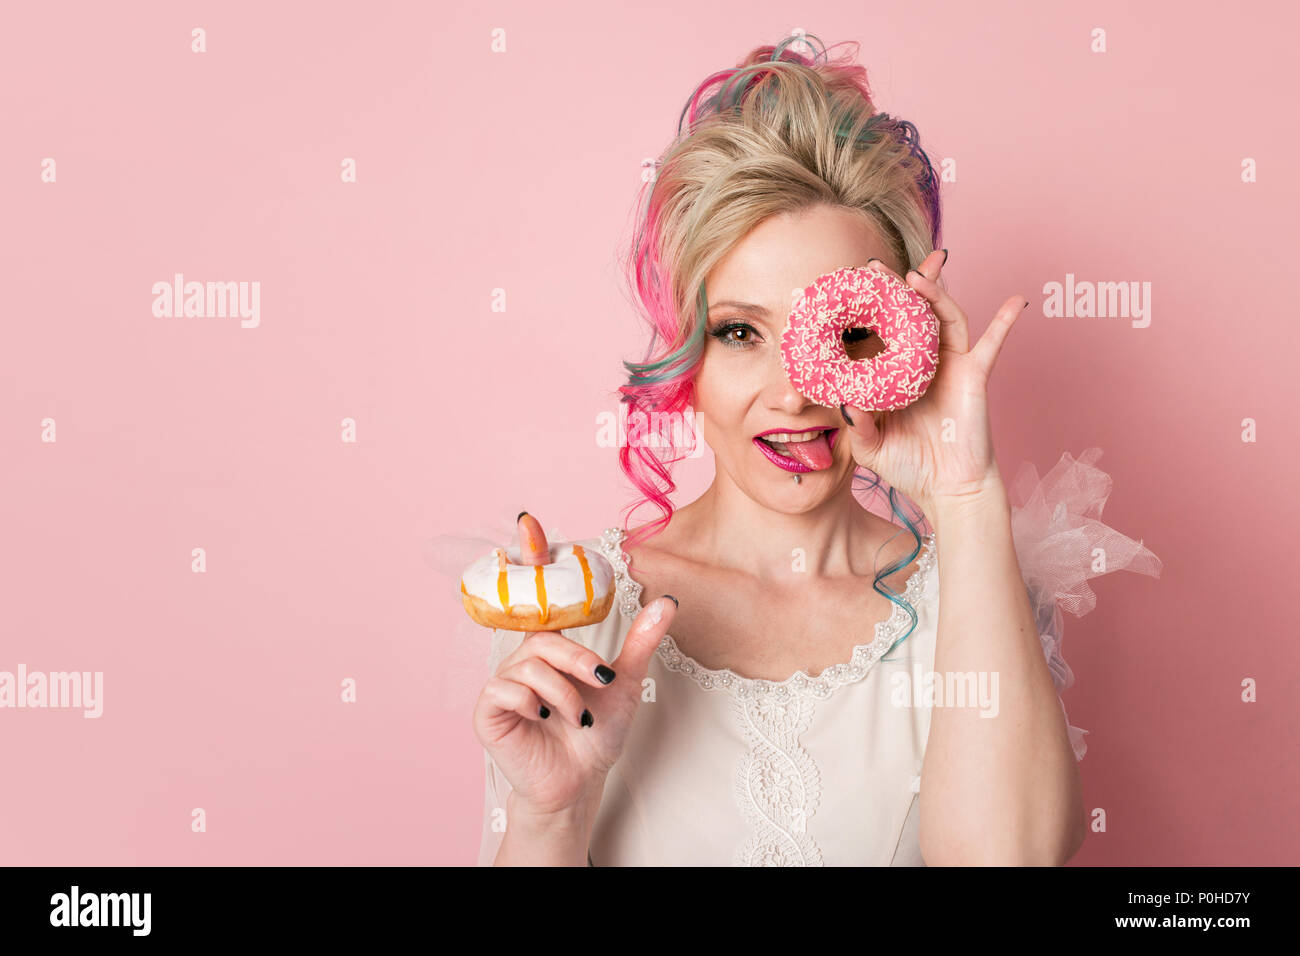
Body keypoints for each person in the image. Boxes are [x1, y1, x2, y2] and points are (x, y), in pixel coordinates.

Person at [470, 34, 1160, 866]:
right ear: (687, 354)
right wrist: (550, 818)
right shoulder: (582, 620)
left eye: (839, 332)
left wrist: (965, 495)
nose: (793, 392)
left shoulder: (971, 603)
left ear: (896, 338)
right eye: (738, 332)